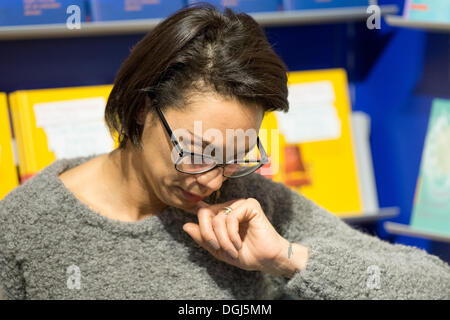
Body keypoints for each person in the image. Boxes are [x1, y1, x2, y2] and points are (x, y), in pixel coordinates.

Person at [0, 4, 449, 300]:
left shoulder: (255, 205)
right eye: (196, 152)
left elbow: (434, 285)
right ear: (140, 109)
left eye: (236, 153)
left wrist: (287, 259)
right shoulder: (25, 227)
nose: (214, 181)